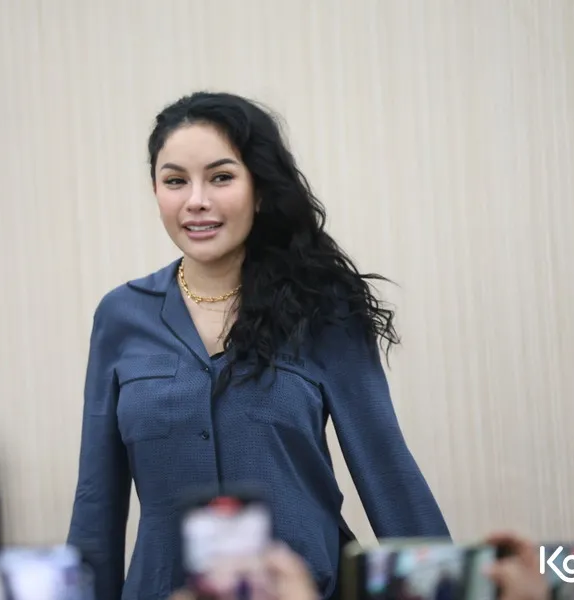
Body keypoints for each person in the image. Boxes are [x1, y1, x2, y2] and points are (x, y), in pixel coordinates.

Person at [66, 91, 450, 600]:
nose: (196, 200)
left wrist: (451, 587)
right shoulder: (120, 316)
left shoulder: (324, 310)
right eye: (175, 181)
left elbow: (387, 469)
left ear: (260, 189)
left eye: (221, 177)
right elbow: (97, 497)